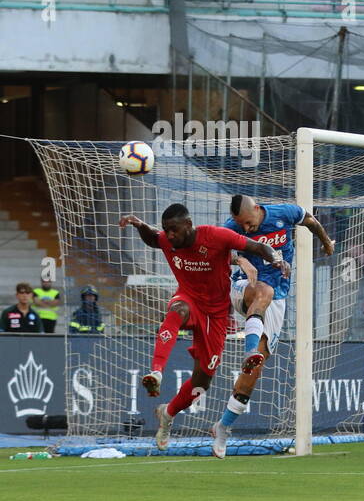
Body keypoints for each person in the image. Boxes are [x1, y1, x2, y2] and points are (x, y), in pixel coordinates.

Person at [118, 205, 287, 452]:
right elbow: (154, 238)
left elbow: (258, 247)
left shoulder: (217, 236)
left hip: (216, 315)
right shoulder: (169, 239)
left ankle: (168, 413)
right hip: (188, 299)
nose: (170, 236)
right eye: (167, 231)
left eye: (174, 230)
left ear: (189, 224)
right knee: (177, 311)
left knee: (201, 384)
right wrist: (139, 224)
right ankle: (156, 372)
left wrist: (278, 260)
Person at [212, 195, 334, 459]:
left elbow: (310, 220)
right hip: (244, 288)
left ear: (257, 209)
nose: (245, 230)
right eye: (240, 226)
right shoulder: (230, 228)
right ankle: (248, 350)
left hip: (276, 297)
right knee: (262, 290)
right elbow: (212, 249)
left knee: (254, 372)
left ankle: (223, 427)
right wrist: (239, 260)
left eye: (247, 223)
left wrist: (325, 243)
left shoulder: (284, 213)